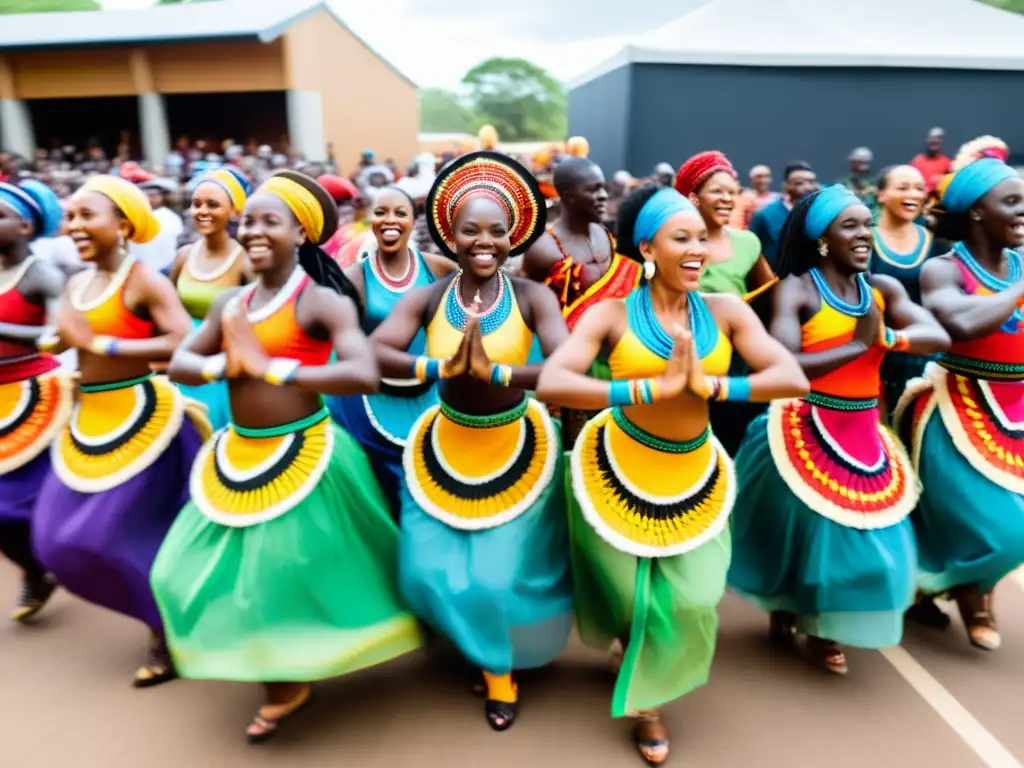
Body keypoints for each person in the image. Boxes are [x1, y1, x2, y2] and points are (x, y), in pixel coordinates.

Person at [536, 184, 807, 765]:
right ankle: (648, 700)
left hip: (695, 474)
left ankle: (649, 688)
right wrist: (647, 388)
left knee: (695, 597)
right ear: (647, 249)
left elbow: (792, 377)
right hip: (615, 468)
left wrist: (714, 386)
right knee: (629, 601)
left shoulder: (728, 313)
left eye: (702, 240)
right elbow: (554, 382)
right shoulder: (608, 315)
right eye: (680, 239)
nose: (697, 250)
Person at [153, 171, 422, 743]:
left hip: (307, 456)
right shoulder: (231, 301)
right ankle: (272, 668)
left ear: (300, 232)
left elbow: (362, 372)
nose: (253, 230)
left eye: (268, 221)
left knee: (282, 577)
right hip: (237, 457)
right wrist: (226, 364)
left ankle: (284, 683)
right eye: (248, 220)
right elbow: (180, 362)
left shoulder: (321, 301)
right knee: (174, 570)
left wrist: (271, 367)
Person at [372, 151, 572, 732]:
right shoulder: (432, 297)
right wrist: (439, 368)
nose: (483, 242)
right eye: (470, 230)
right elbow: (380, 349)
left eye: (496, 231)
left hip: (516, 447)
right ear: (450, 237)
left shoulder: (534, 297)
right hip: (442, 444)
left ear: (513, 237)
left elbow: (565, 367)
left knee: (493, 576)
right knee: (421, 568)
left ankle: (500, 671)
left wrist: (500, 375)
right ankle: (469, 634)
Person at [729, 185, 949, 675]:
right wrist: (856, 345)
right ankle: (801, 615)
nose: (864, 234)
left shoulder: (883, 290)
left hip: (864, 430)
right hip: (803, 427)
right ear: (823, 239)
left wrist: (889, 336)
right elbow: (787, 364)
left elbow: (939, 334)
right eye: (849, 225)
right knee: (806, 543)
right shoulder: (798, 289)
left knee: (880, 549)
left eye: (866, 224)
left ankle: (823, 624)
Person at [32, 175, 210, 686]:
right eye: (70, 217)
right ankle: (162, 614)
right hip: (89, 420)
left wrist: (104, 346)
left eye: (87, 215)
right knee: (52, 540)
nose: (74, 226)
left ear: (124, 225)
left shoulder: (143, 281)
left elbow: (183, 342)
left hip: (145, 423)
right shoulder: (74, 283)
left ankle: (164, 632)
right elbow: (65, 338)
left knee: (112, 535)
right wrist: (52, 341)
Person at [894, 158, 1024, 652]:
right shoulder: (942, 268)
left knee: (997, 522)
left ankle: (958, 588)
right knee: (1001, 527)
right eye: (1011, 201)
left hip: (1019, 403)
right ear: (975, 213)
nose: (1023, 210)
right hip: (958, 410)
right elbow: (961, 324)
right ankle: (968, 595)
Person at [325, 186, 456, 514]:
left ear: (413, 221)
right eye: (381, 212)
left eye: (400, 212)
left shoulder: (438, 269)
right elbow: (346, 348)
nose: (390, 220)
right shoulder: (354, 277)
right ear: (370, 219)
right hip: (371, 403)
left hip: (431, 395)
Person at [0, 179, 69, 622]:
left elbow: (57, 337)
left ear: (25, 225)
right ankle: (34, 570)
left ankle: (55, 562)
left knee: (26, 500)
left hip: (36, 396)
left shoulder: (42, 274)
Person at [168, 167, 252, 429]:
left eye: (213, 205)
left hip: (224, 367)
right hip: (186, 362)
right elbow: (168, 310)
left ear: (235, 211)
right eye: (196, 204)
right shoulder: (184, 255)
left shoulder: (245, 261)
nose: (202, 211)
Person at [871, 165, 948, 416]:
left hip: (928, 359)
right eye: (903, 188)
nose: (913, 194)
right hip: (876, 359)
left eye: (919, 188)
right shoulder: (862, 241)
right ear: (880, 194)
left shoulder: (938, 242)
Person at [750, 161, 817, 267]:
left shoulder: (819, 214)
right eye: (799, 183)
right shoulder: (765, 215)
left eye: (811, 182)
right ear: (786, 185)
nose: (808, 187)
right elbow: (752, 251)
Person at [133, 179, 184, 274]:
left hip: (165, 269)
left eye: (153, 195)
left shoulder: (171, 218)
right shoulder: (136, 217)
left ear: (163, 198)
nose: (148, 198)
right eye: (145, 195)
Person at [730, 164, 779, 230]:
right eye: (759, 177)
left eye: (766, 176)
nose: (763, 180)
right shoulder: (744, 197)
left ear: (771, 179)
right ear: (752, 179)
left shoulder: (777, 199)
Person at [911, 127, 953, 195]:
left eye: (938, 138)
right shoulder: (917, 162)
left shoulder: (947, 163)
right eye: (932, 137)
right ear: (927, 139)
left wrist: (942, 180)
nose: (934, 140)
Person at [840, 147, 877, 212]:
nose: (863, 167)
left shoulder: (874, 184)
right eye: (860, 163)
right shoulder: (844, 183)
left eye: (865, 163)